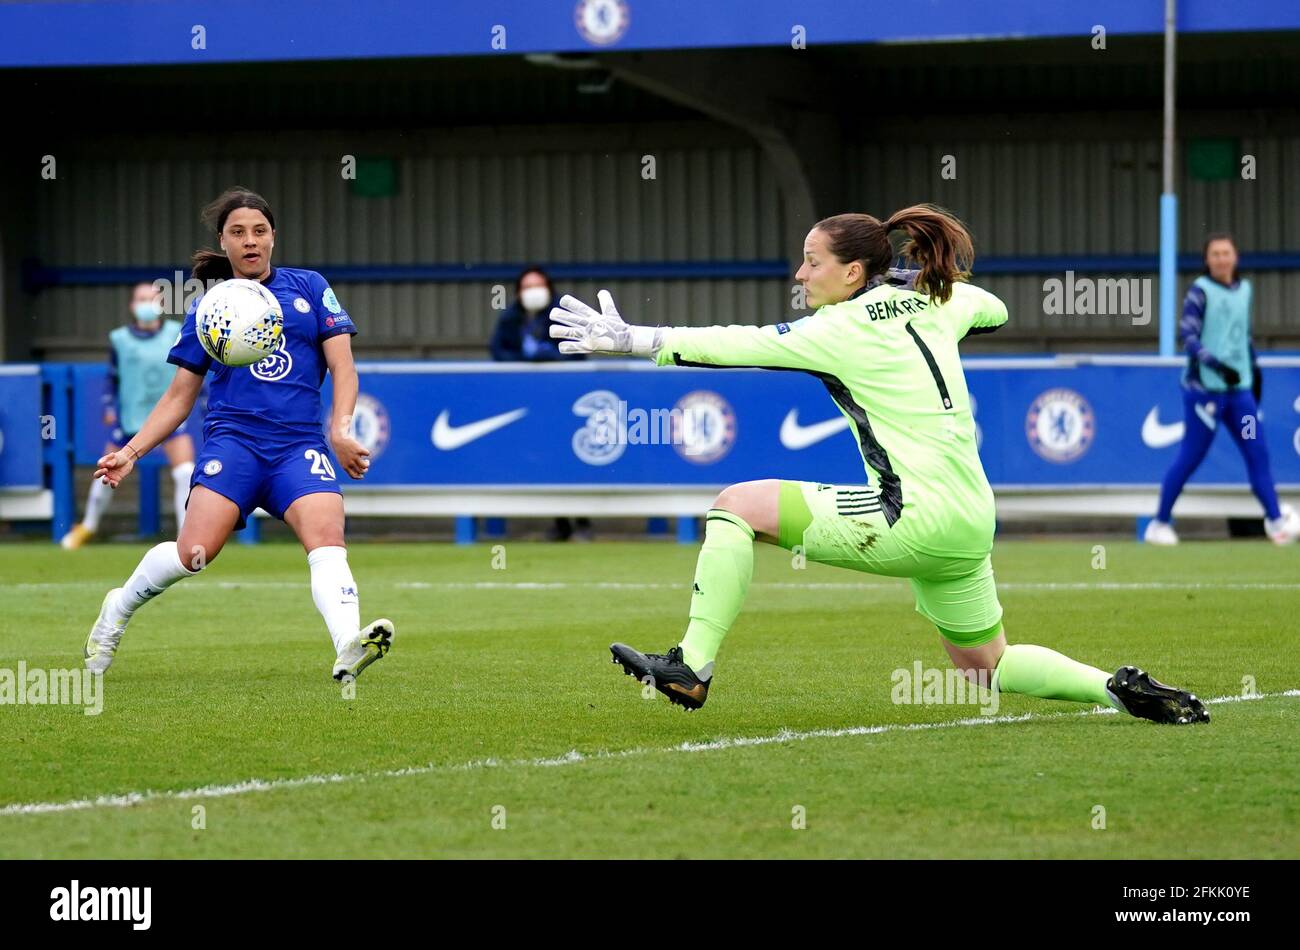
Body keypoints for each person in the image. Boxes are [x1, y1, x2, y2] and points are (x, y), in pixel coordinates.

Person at [551, 204, 1208, 725]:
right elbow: (996, 309)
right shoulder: (942, 302)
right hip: (972, 521)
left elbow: (739, 343)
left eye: (812, 262)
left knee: (734, 506)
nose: (801, 275)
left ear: (852, 272)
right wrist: (927, 294)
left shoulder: (837, 329)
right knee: (986, 664)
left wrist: (636, 339)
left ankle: (691, 667)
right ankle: (1114, 687)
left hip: (911, 517)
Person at [83, 187, 394, 682]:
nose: (250, 241)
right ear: (223, 244)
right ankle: (117, 608)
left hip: (298, 447)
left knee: (327, 538)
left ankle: (347, 647)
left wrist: (338, 430)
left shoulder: (310, 288)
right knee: (193, 554)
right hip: (235, 446)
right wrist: (131, 451)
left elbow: (344, 367)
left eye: (259, 231)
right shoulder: (209, 308)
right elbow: (180, 396)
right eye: (237, 233)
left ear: (273, 236)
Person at [1145, 233, 1298, 545]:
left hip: (1239, 394)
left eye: (1226, 253)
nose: (1221, 259)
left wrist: (1253, 372)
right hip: (1205, 392)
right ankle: (1159, 523)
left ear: (1235, 257)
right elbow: (1188, 336)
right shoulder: (1200, 292)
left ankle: (1275, 521)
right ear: (1207, 259)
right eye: (1215, 254)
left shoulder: (1245, 291)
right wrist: (1215, 365)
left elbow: (1242, 335)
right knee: (1191, 456)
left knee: (1256, 451)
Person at [61, 283, 195, 548]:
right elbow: (111, 378)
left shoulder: (175, 333)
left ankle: (186, 536)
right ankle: (88, 526)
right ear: (133, 306)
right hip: (132, 418)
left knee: (185, 473)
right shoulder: (120, 339)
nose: (146, 303)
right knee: (107, 471)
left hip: (169, 417)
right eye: (141, 299)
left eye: (151, 298)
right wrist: (109, 408)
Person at [490, 266, 593, 541]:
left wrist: (551, 359)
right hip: (527, 401)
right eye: (527, 287)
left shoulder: (563, 316)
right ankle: (560, 523)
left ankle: (582, 522)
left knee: (571, 459)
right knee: (547, 459)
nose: (533, 292)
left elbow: (579, 353)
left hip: (564, 400)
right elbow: (498, 352)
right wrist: (526, 363)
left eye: (538, 285)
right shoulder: (510, 319)